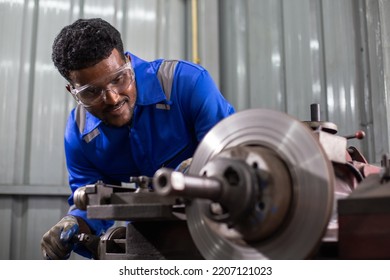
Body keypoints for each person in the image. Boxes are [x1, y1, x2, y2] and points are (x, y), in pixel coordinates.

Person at [40, 18, 235, 260]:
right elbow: (89, 202)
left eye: (118, 79)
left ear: (128, 62)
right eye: (91, 91)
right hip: (149, 245)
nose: (112, 98)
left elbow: (232, 156)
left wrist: (202, 167)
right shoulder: (80, 134)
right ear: (73, 91)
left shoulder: (186, 84)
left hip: (220, 232)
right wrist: (73, 223)